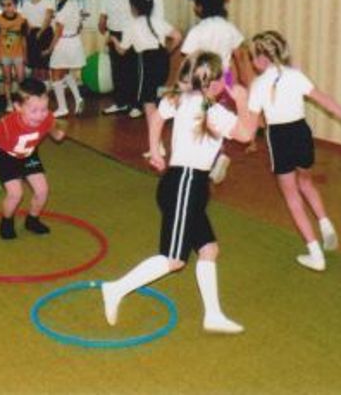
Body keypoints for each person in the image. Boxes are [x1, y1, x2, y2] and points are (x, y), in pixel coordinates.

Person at [101, 50, 256, 334]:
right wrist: (244, 103)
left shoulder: (181, 98)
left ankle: (213, 315)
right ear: (213, 82)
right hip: (185, 184)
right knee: (173, 260)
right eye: (222, 77)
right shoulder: (214, 112)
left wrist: (155, 150)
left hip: (185, 184)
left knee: (209, 250)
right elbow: (247, 134)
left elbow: (157, 118)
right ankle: (115, 289)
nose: (225, 81)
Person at [247, 30, 341, 272]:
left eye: (252, 57)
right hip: (301, 133)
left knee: (292, 197)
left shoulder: (258, 85)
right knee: (306, 182)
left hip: (279, 138)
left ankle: (315, 254)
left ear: (262, 59)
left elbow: (250, 126)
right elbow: (324, 99)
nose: (251, 62)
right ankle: (325, 223)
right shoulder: (295, 75)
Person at [0, 78, 66, 240]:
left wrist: (57, 134)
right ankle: (6, 221)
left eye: (44, 109)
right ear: (18, 107)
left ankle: (32, 220)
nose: (40, 115)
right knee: (16, 194)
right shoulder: (7, 124)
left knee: (42, 191)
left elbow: (51, 125)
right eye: (34, 111)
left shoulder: (46, 117)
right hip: (5, 156)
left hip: (28, 154)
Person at [181, 0, 247, 183]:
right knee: (221, 119)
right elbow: (240, 56)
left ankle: (209, 158)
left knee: (204, 119)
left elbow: (188, 61)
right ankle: (221, 153)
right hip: (225, 78)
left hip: (205, 82)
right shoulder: (229, 28)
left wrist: (183, 86)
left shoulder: (197, 31)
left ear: (200, 6)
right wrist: (240, 81)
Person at [99, 0, 166, 119]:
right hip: (115, 24)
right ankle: (121, 102)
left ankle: (136, 104)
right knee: (118, 66)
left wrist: (155, 30)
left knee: (133, 68)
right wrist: (103, 16)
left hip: (134, 28)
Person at [109, 0, 183, 155]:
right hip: (162, 62)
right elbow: (177, 36)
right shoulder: (158, 21)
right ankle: (159, 144)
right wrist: (168, 52)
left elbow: (122, 50)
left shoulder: (132, 25)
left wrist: (113, 40)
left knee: (149, 105)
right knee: (154, 102)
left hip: (146, 63)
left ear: (134, 8)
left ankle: (157, 147)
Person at [47, 0, 86, 118]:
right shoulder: (74, 3)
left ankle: (62, 108)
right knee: (65, 72)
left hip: (64, 43)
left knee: (55, 74)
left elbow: (58, 32)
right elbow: (79, 26)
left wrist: (50, 49)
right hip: (74, 41)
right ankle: (78, 98)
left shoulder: (65, 6)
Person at [0, 0, 28, 112]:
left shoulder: (22, 20)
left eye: (9, 4)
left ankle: (22, 101)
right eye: (3, 5)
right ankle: (9, 102)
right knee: (7, 79)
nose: (6, 8)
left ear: (15, 4)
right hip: (4, 55)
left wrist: (25, 55)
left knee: (21, 78)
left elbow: (24, 40)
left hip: (18, 54)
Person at [21, 0, 55, 84]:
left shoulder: (48, 2)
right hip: (32, 35)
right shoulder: (26, 4)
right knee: (34, 66)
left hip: (45, 34)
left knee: (44, 66)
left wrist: (40, 33)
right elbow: (25, 21)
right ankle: (36, 90)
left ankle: (45, 90)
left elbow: (47, 19)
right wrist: (29, 34)